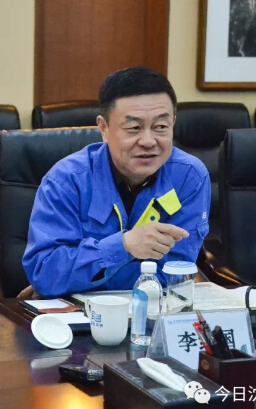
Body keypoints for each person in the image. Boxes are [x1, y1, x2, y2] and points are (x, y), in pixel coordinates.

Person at [20, 66, 211, 298]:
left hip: (153, 313)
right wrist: (125, 246)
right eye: (134, 128)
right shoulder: (66, 181)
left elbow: (173, 276)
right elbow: (45, 272)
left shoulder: (189, 178)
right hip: (78, 316)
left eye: (161, 127)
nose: (148, 141)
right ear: (103, 128)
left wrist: (76, 276)